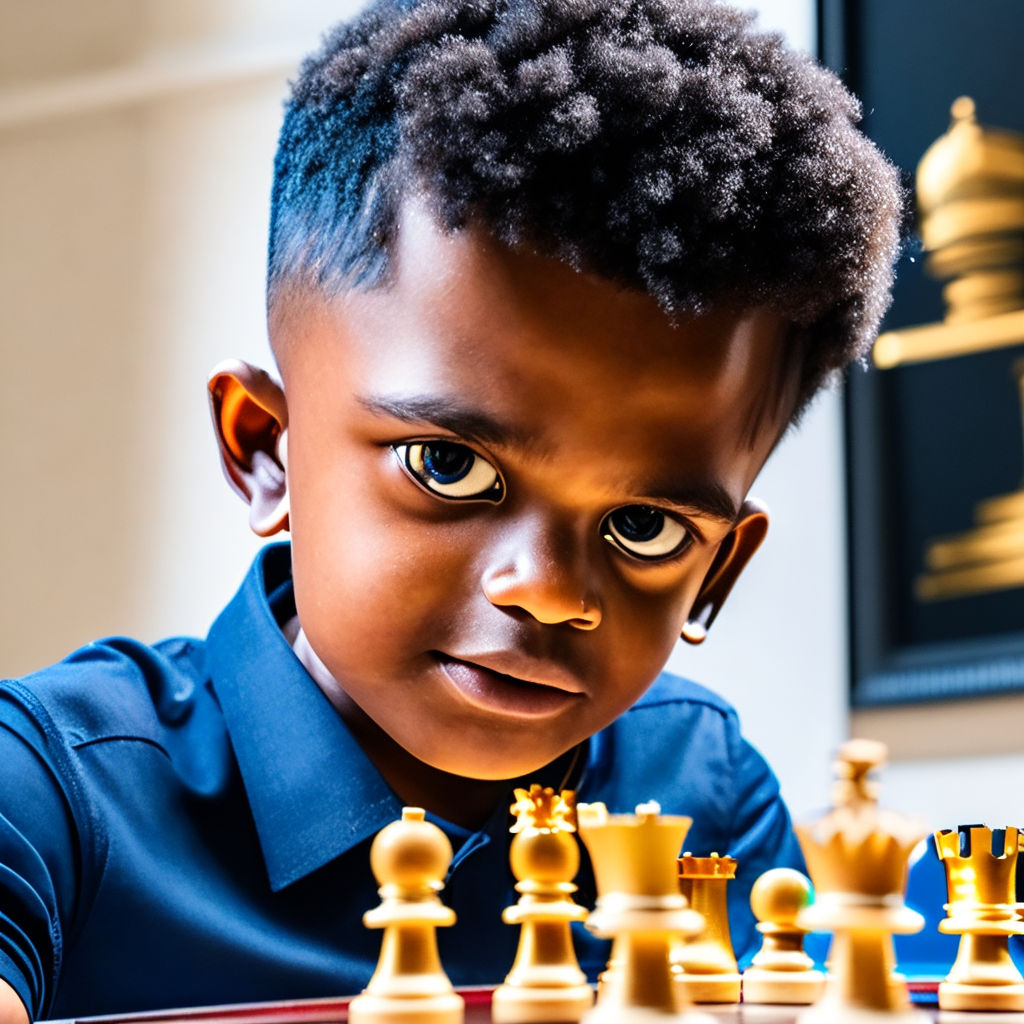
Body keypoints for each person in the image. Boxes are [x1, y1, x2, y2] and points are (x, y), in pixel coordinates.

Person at [0, 0, 903, 1020]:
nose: (548, 590)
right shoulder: (42, 788)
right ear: (264, 453)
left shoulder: (705, 788)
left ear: (717, 570)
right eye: (446, 466)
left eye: (644, 528)